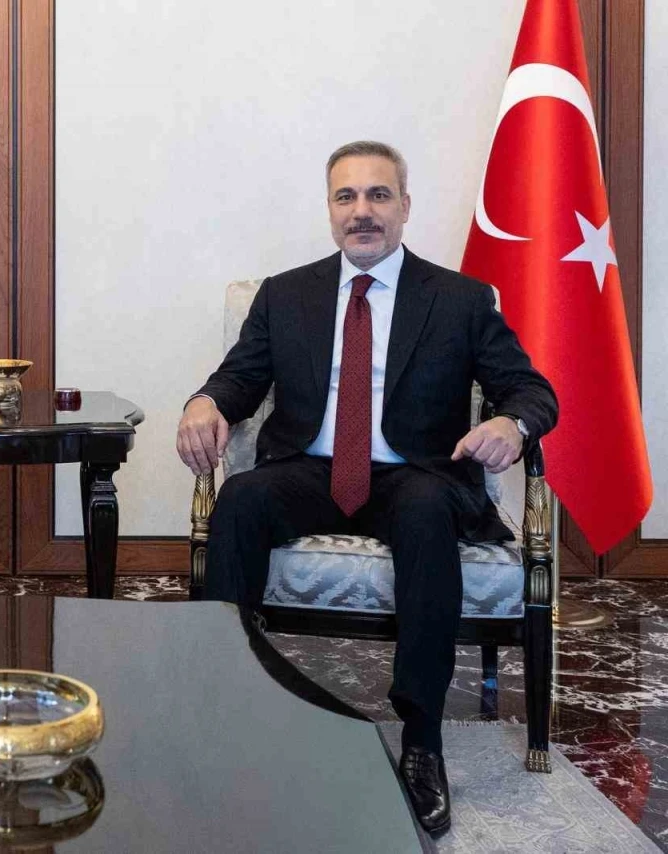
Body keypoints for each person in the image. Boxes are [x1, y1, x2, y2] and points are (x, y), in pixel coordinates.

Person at [175, 140, 557, 836]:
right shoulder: (285, 294)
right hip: (312, 468)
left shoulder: (460, 300)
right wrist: (205, 402)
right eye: (346, 197)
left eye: (378, 195)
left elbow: (532, 390)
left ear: (405, 206)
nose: (362, 211)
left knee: (425, 511)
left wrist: (511, 421)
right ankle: (228, 710)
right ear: (329, 210)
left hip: (417, 473)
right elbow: (240, 378)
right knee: (241, 499)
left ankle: (421, 741)